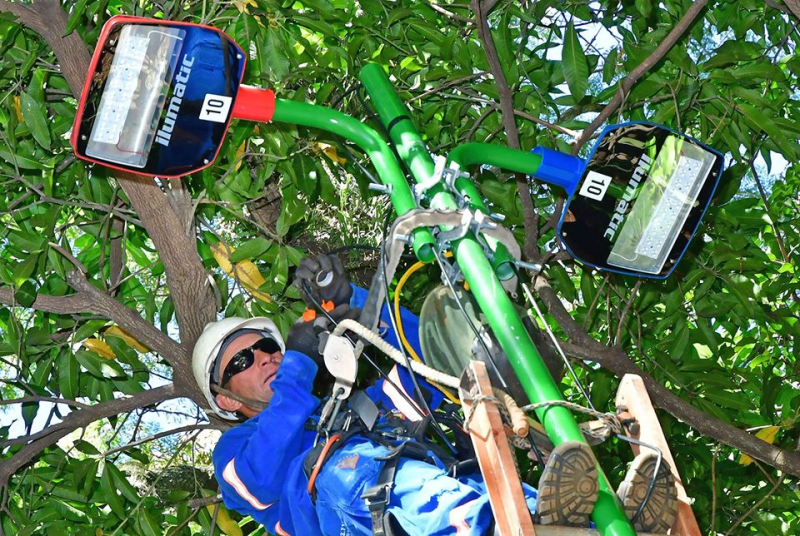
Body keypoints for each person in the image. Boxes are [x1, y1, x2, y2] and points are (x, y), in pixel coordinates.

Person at [192, 254, 676, 535]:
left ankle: (588, 524)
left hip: (427, 493)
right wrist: (298, 362)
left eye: (267, 347)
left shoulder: (357, 413)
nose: (264, 358)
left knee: (454, 468)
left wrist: (354, 301)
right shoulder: (235, 452)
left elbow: (428, 359)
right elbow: (261, 481)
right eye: (241, 361)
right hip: (352, 510)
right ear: (227, 402)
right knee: (353, 470)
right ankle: (514, 523)